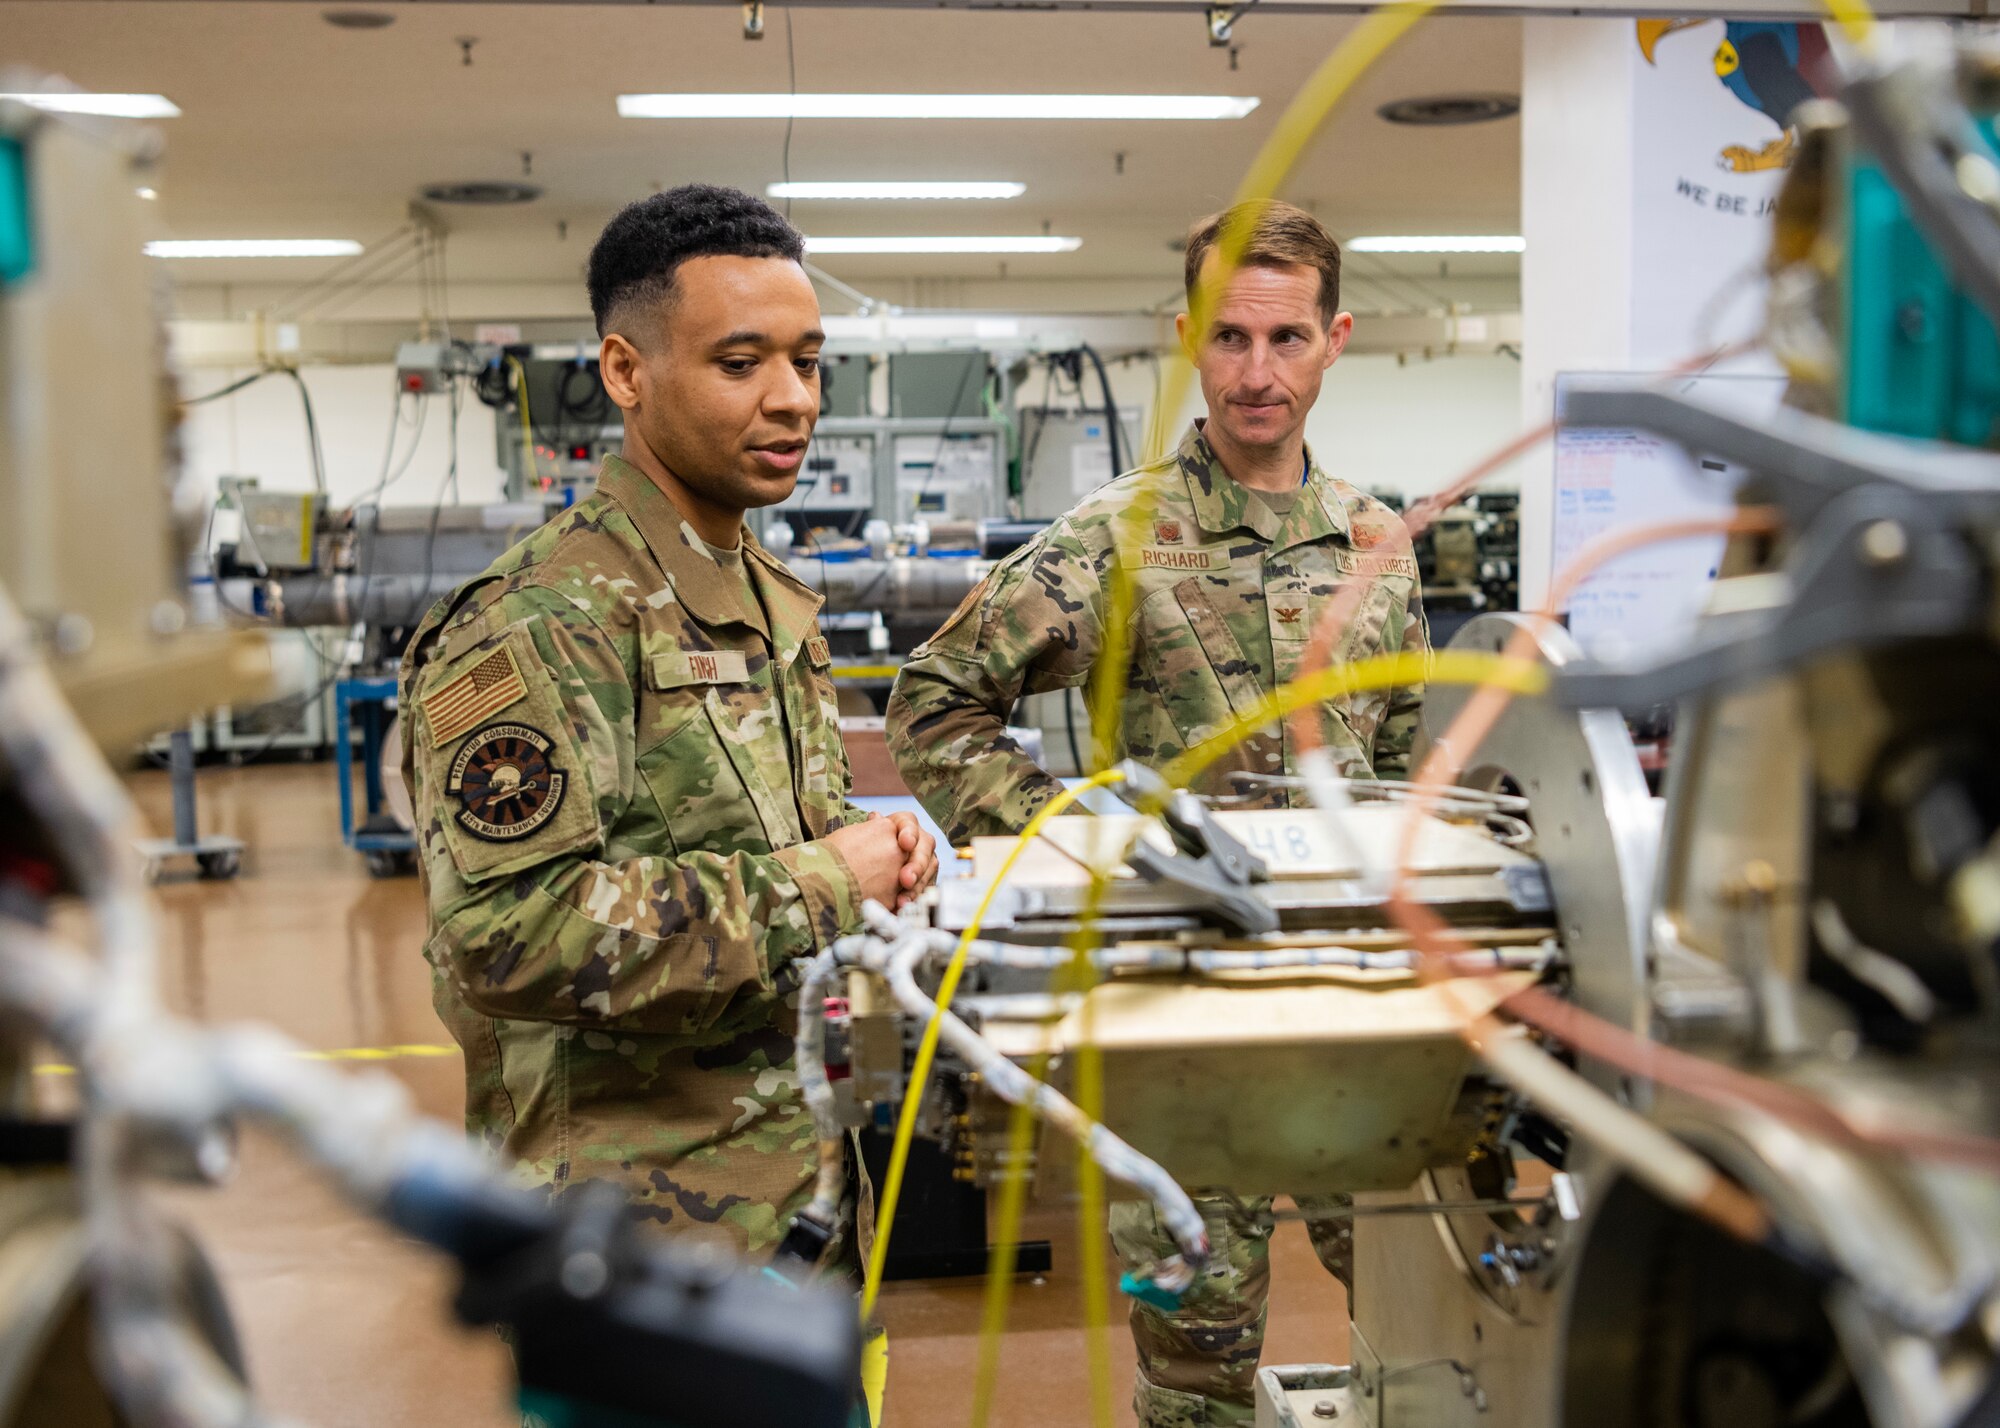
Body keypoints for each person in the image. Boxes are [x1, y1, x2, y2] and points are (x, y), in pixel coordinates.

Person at [885, 199, 1427, 1426]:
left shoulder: (1375, 544)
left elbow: (1403, 764)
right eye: (1227, 338)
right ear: (1186, 337)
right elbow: (933, 704)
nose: (1254, 373)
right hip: (1182, 1013)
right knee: (1195, 1367)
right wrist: (1077, 836)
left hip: (1360, 1008)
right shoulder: (1115, 539)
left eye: (1284, 338)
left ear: (1333, 338)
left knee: (1429, 1318)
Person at [400, 184, 937, 1274]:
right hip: (632, 1233)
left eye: (807, 360)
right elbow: (502, 934)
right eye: (741, 364)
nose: (792, 401)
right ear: (625, 371)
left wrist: (873, 858)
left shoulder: (766, 589)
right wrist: (825, 881)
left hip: (797, 1195)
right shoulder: (541, 617)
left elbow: (785, 829)